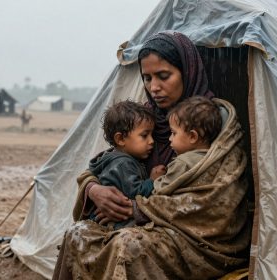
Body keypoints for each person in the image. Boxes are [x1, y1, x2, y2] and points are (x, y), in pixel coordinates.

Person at [53, 31, 251, 280]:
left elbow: (219, 198)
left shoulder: (213, 122)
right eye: (146, 78)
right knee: (78, 233)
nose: (154, 87)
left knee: (128, 244)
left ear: (187, 72)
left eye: (164, 76)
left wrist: (136, 209)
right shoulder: (145, 119)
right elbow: (107, 161)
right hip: (143, 224)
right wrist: (94, 189)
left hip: (196, 240)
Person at [85, 100, 166, 229]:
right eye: (145, 135)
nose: (151, 141)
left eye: (152, 135)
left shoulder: (112, 157)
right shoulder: (123, 163)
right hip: (113, 221)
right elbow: (134, 193)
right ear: (121, 139)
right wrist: (152, 180)